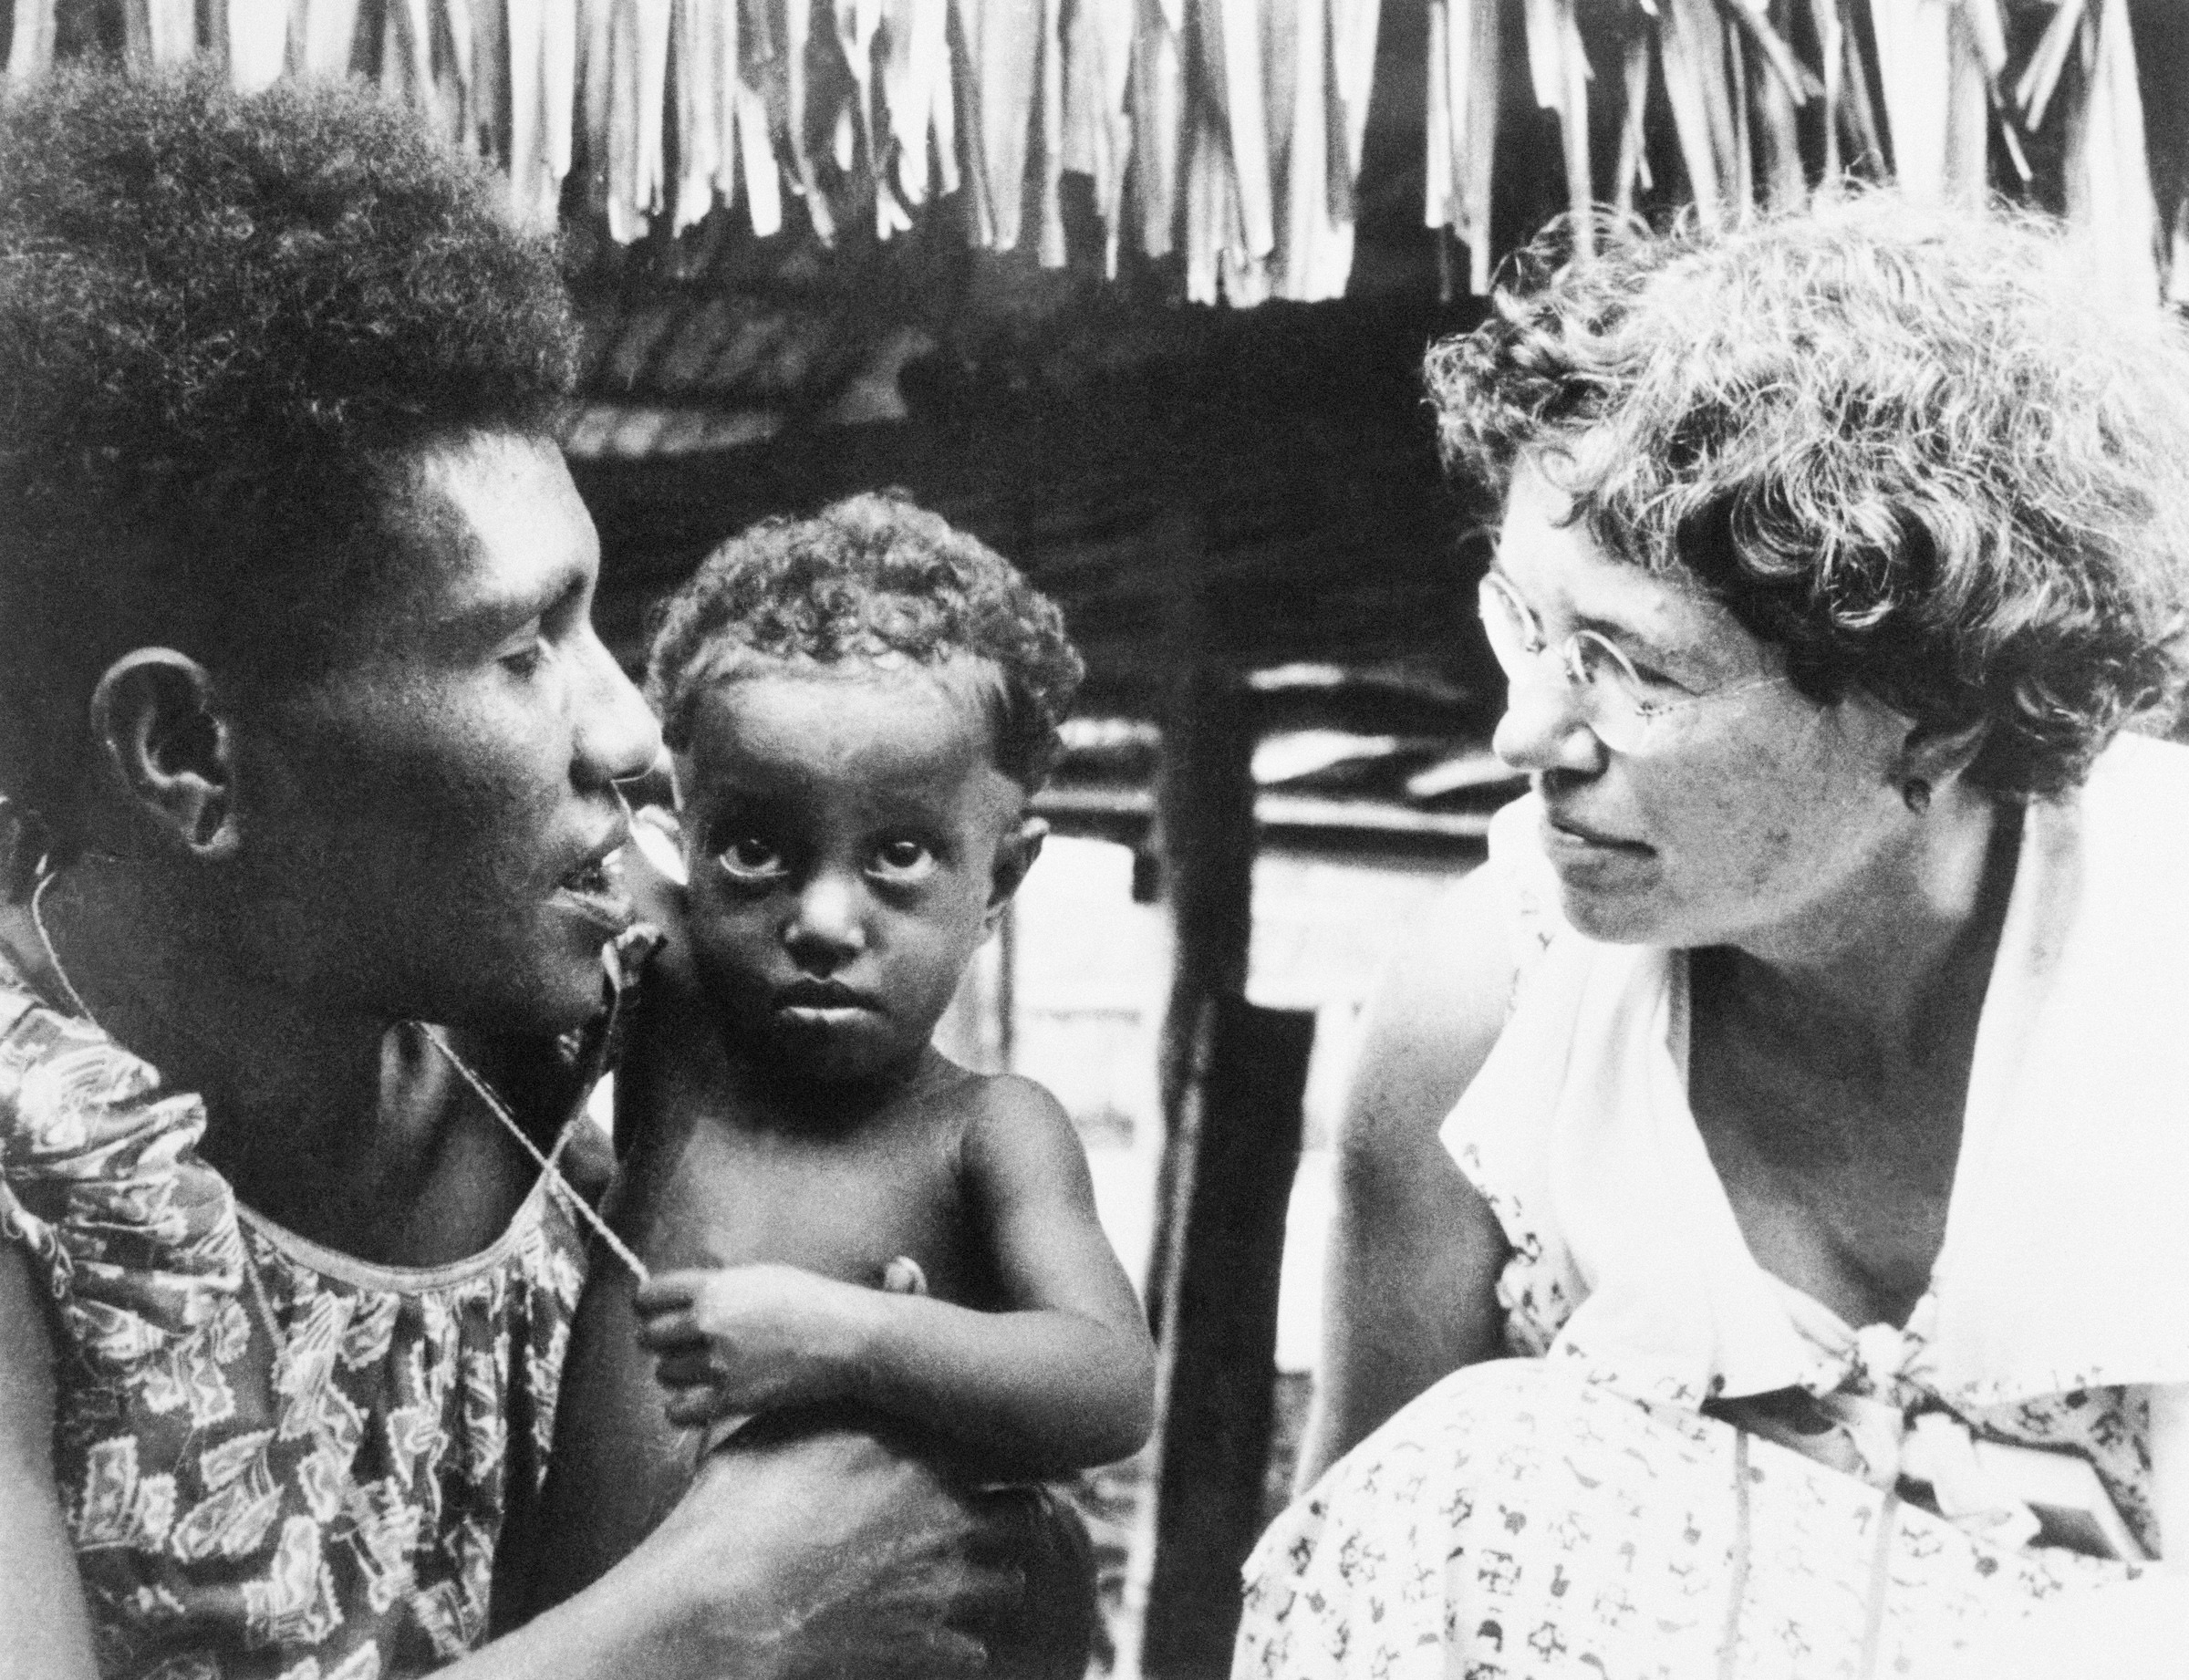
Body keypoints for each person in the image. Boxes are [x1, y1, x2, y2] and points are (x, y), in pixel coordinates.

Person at [0, 66, 1028, 1680]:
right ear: (191, 752)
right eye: (518, 647)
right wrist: (714, 1617)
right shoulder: (31, 1194)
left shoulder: (583, 1031)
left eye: (593, 617)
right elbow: (726, 1598)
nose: (629, 730)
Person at [1241, 192, 2189, 1679]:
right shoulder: (1487, 1021)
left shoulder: (2163, 962)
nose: (1524, 732)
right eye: (1526, 626)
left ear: (1931, 707)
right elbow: (1359, 1600)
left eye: (1631, 671)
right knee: (1459, 1472)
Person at [505, 494, 1157, 1671]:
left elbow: (1109, 1382)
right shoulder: (676, 1011)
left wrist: (849, 1338)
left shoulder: (984, 1133)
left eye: (899, 855)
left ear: (1001, 876)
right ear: (683, 833)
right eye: (756, 847)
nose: (819, 919)